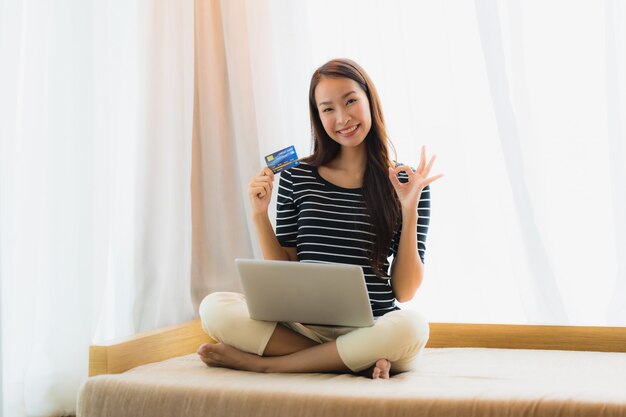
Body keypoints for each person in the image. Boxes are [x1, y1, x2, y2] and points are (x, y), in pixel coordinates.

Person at [197, 58, 443, 379]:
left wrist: (408, 210)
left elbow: (405, 292)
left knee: (412, 328)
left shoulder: (407, 181)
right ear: (317, 116)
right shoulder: (297, 177)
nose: (342, 118)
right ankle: (357, 360)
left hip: (376, 326)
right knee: (214, 308)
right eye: (327, 109)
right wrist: (259, 217)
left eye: (351, 101)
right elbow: (284, 271)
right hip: (305, 329)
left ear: (370, 100)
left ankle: (268, 363)